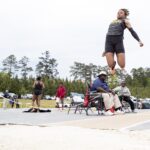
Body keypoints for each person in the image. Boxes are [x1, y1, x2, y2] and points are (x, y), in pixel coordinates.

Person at [102, 9, 144, 75]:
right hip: (108, 41)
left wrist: (139, 40)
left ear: (125, 15)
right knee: (110, 65)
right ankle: (113, 67)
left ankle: (118, 66)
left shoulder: (125, 21)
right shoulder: (113, 21)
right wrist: (105, 49)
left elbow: (132, 31)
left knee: (122, 65)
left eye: (121, 13)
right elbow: (109, 32)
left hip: (118, 42)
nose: (118, 14)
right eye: (118, 13)